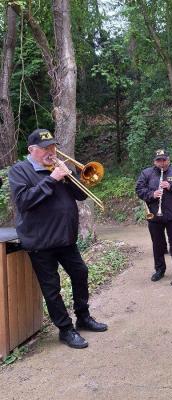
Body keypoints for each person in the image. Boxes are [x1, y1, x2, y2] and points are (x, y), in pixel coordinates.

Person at [8, 128, 108, 350]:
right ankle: (65, 329)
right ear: (31, 150)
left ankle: (83, 317)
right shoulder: (19, 171)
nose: (51, 151)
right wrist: (52, 179)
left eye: (53, 146)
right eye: (45, 148)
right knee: (51, 288)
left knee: (80, 273)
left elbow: (81, 195)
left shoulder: (59, 168)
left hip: (65, 239)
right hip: (41, 241)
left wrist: (69, 176)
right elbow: (24, 201)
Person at [136, 149, 172, 283]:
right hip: (155, 216)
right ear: (154, 161)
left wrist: (171, 186)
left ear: (168, 160)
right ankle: (159, 270)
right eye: (159, 160)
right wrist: (152, 194)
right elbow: (139, 189)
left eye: (164, 160)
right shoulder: (146, 173)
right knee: (157, 244)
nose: (161, 163)